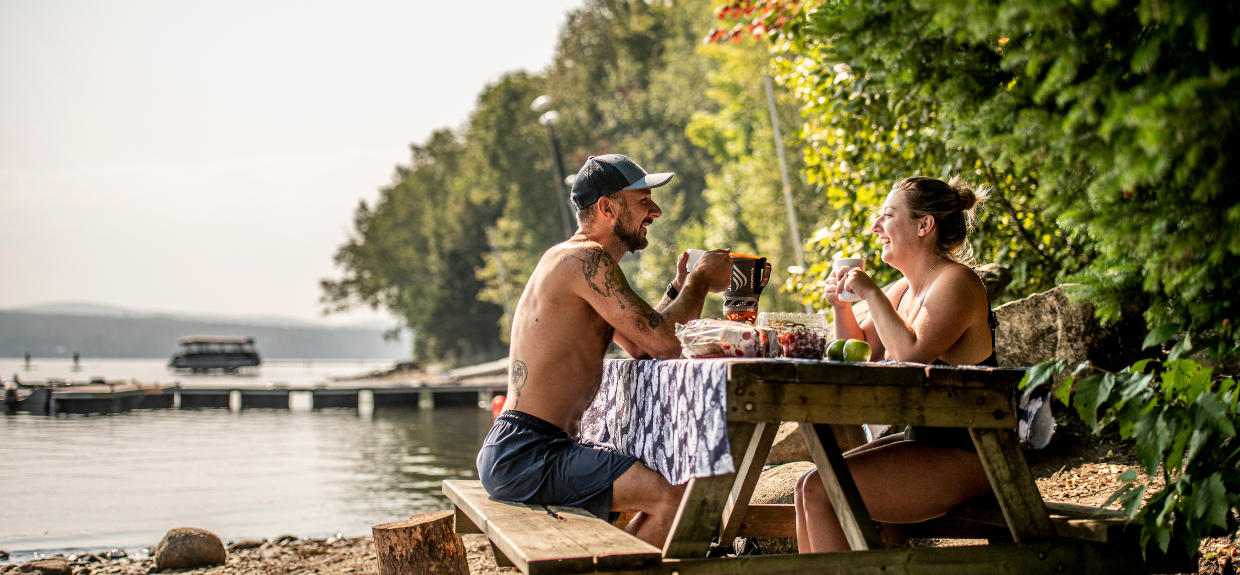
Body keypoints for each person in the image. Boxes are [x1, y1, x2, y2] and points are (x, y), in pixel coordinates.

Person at [476, 154, 734, 547]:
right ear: (607, 207)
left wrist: (679, 290)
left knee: (665, 487)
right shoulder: (587, 260)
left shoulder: (573, 259)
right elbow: (666, 344)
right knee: (675, 500)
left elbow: (643, 345)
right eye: (643, 201)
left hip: (530, 448)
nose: (656, 211)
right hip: (527, 453)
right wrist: (699, 281)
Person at [795, 175, 997, 553]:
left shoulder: (956, 282)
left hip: (976, 454)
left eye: (887, 216)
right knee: (809, 486)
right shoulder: (902, 289)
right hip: (924, 445)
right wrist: (841, 305)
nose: (875, 227)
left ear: (924, 225)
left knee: (822, 491)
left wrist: (869, 292)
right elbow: (855, 351)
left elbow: (910, 356)